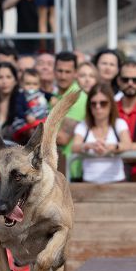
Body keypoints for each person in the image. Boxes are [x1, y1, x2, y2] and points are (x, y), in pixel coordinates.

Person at [71, 83, 133, 184]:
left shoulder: (119, 123)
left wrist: (113, 147)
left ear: (111, 104)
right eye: (93, 103)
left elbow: (127, 144)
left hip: (116, 181)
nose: (98, 107)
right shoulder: (83, 126)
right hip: (89, 183)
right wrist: (89, 145)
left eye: (103, 103)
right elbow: (74, 147)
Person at [52, 51, 88, 179]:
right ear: (54, 71)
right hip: (56, 167)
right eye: (60, 71)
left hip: (70, 170)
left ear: (75, 73)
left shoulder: (78, 98)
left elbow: (62, 138)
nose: (63, 76)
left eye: (67, 72)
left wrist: (32, 130)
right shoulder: (55, 95)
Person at [10, 67, 49, 143]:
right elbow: (18, 109)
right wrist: (26, 116)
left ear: (39, 84)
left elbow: (48, 95)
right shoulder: (21, 96)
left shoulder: (40, 93)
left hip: (41, 118)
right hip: (27, 121)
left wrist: (52, 98)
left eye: (35, 84)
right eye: (28, 84)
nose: (31, 86)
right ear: (21, 84)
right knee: (29, 132)